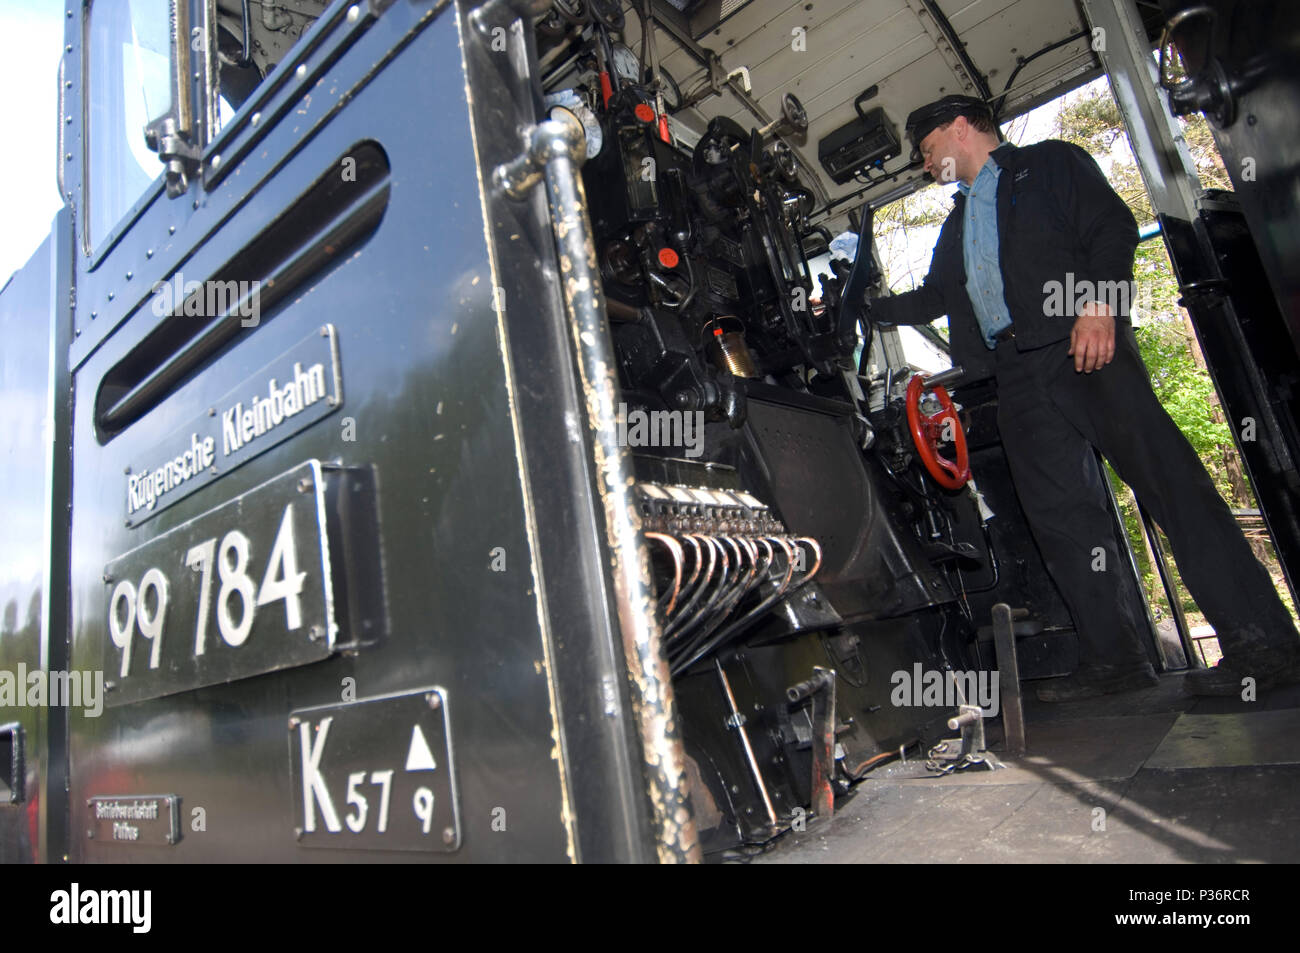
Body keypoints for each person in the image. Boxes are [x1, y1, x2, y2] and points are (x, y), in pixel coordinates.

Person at [864, 94, 1300, 701]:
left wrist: (1097, 306)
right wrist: (862, 306)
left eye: (927, 147)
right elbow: (933, 296)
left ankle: (1266, 645)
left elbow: (1112, 227)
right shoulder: (959, 221)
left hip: (1081, 340)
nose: (924, 161)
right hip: (1013, 372)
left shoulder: (1049, 164)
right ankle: (1116, 661)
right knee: (1063, 521)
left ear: (958, 128)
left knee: (1169, 484)